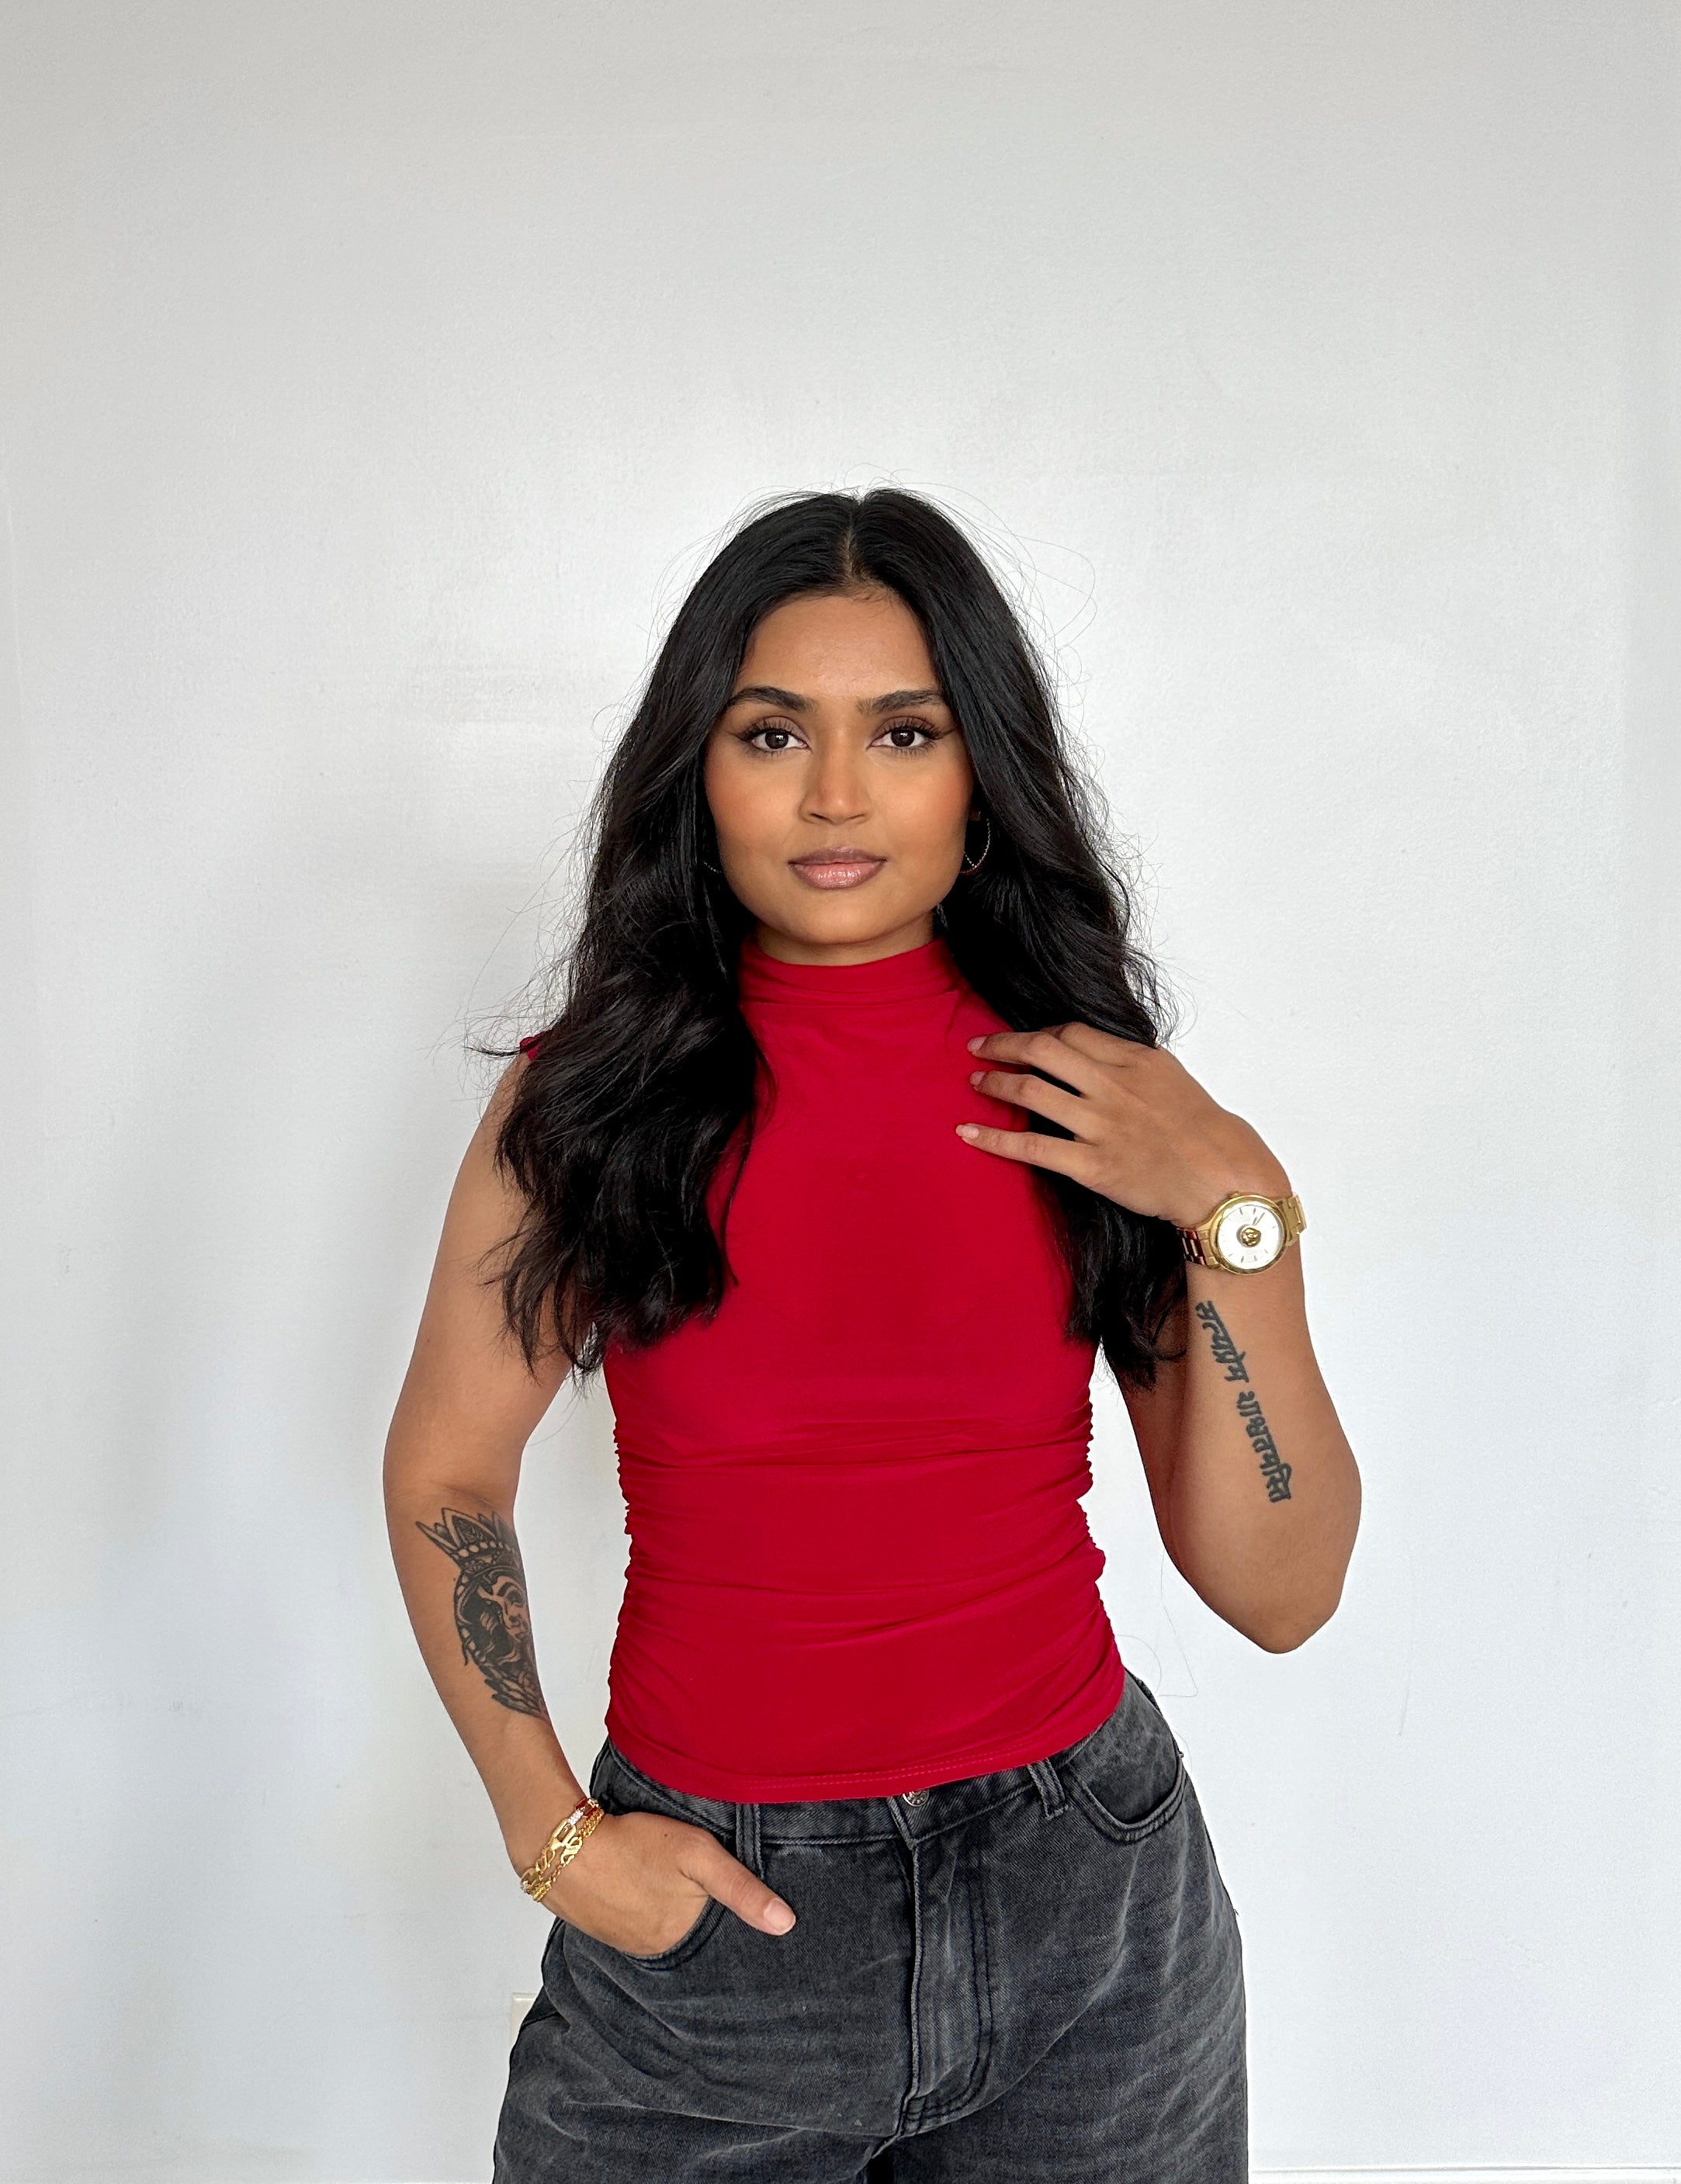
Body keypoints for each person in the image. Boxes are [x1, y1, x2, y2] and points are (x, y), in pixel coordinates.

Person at [383, 487, 1362, 2182]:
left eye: (903, 732)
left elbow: (1280, 1593)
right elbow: (448, 1474)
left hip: (1089, 1913)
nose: (835, 793)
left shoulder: (1096, 1101)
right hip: (715, 1938)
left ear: (981, 770)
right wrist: (554, 1836)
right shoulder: (593, 1107)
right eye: (773, 733)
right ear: (698, 768)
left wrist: (1239, 1210)